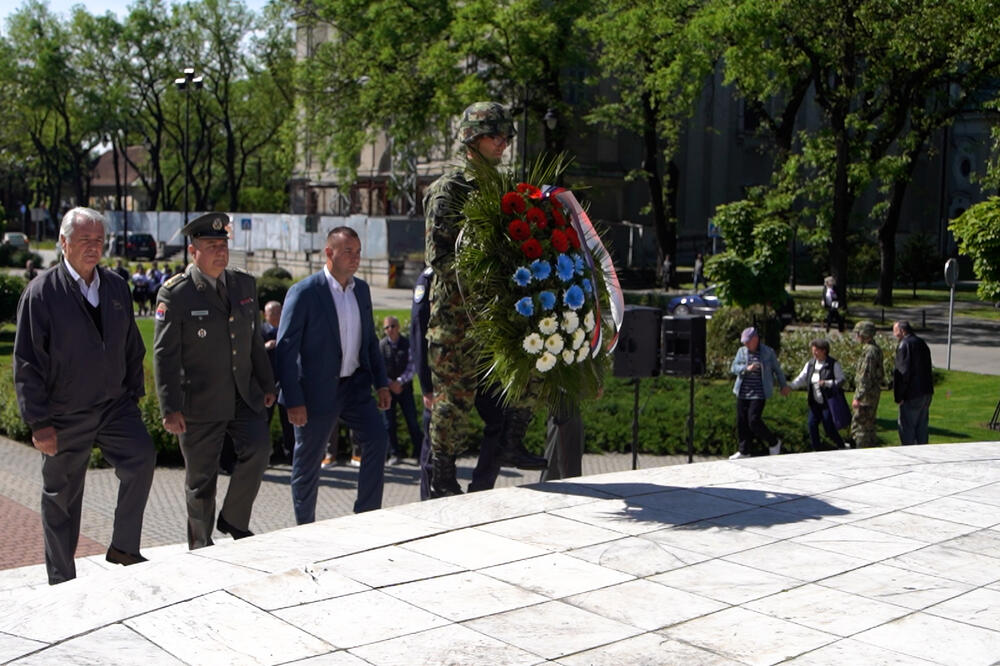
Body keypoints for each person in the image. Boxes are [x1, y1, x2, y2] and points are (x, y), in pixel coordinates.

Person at [13, 207, 156, 584]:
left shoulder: (116, 287)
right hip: (65, 412)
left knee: (142, 457)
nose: (93, 247)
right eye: (84, 240)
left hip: (114, 407)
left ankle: (124, 546)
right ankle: (62, 579)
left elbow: (131, 345)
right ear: (63, 242)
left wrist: (132, 395)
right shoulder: (42, 293)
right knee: (61, 497)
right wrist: (39, 423)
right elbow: (26, 362)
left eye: (99, 240)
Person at [423, 100, 545, 497]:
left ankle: (512, 441)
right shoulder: (449, 189)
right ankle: (442, 475)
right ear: (473, 138)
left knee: (532, 365)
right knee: (453, 401)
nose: (504, 143)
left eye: (507, 136)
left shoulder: (504, 189)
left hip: (498, 316)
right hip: (457, 320)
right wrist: (487, 276)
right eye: (496, 135)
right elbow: (440, 259)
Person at [152, 212, 276, 549]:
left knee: (259, 449)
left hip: (242, 394)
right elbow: (164, 354)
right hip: (200, 400)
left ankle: (234, 518)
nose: (221, 252)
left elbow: (252, 339)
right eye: (211, 246)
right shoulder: (176, 294)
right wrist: (170, 408)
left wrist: (267, 383)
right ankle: (200, 545)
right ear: (194, 252)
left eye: (223, 245)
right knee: (201, 481)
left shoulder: (243, 284)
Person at [275, 226, 391, 524]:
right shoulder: (304, 293)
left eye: (358, 252)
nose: (355, 258)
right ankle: (305, 527)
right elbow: (285, 351)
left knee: (378, 439)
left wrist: (381, 383)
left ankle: (366, 516)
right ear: (329, 253)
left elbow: (370, 341)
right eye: (348, 251)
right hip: (315, 393)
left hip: (355, 387)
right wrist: (293, 400)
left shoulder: (361, 290)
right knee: (308, 461)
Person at [729, 326, 790, 459]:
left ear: (755, 339)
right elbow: (733, 368)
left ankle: (774, 442)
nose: (746, 345)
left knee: (753, 420)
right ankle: (744, 451)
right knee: (742, 422)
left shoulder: (768, 352)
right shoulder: (741, 352)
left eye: (748, 342)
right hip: (742, 392)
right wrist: (746, 368)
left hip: (759, 393)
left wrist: (783, 386)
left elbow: (777, 370)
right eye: (744, 342)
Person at [788, 338, 848, 451]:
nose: (814, 353)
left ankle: (841, 445)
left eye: (816, 350)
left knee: (828, 426)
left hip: (828, 401)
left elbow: (841, 380)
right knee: (811, 424)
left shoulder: (833, 364)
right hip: (814, 401)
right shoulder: (810, 364)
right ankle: (817, 450)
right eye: (813, 350)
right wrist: (790, 386)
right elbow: (802, 378)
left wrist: (827, 383)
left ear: (824, 351)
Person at [379, 315, 423, 464]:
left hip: (405, 389)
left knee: (412, 422)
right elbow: (378, 368)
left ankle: (419, 453)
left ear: (398, 327)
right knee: (388, 424)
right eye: (387, 327)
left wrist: (399, 382)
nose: (390, 329)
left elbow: (412, 366)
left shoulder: (407, 343)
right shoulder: (381, 346)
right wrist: (390, 384)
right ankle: (394, 453)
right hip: (387, 390)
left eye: (392, 326)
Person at [261, 300, 295, 463]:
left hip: (284, 383)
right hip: (266, 384)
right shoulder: (260, 331)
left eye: (279, 312)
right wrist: (265, 347)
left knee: (288, 422)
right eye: (272, 313)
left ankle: (290, 455)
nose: (276, 315)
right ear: (265, 315)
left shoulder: (288, 330)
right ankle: (264, 456)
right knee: (263, 422)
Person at [892, 320, 934, 444]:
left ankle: (909, 453)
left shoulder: (904, 345)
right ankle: (922, 450)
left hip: (911, 394)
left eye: (895, 331)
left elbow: (902, 373)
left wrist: (899, 396)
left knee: (907, 428)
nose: (894, 335)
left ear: (902, 331)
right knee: (922, 427)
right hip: (925, 392)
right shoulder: (921, 343)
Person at [851, 320, 884, 448]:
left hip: (866, 396)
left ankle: (862, 450)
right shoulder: (874, 349)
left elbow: (866, 376)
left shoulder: (870, 352)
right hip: (871, 393)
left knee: (861, 426)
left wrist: (858, 397)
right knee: (868, 426)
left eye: (858, 333)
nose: (857, 336)